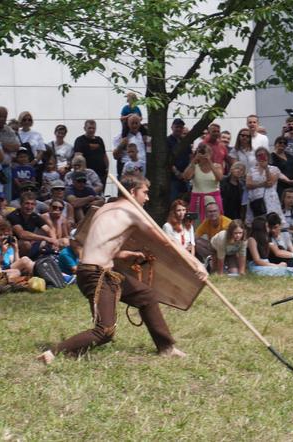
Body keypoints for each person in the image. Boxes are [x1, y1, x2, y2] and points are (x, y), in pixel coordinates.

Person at [37, 173, 186, 364]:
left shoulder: (104, 209)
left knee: (147, 296)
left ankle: (166, 347)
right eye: (145, 193)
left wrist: (123, 254)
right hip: (95, 274)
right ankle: (53, 353)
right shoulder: (132, 212)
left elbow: (100, 243)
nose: (147, 198)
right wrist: (196, 264)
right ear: (133, 192)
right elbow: (165, 241)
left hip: (102, 272)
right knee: (105, 330)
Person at [182, 143, 223, 221]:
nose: (203, 154)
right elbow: (186, 177)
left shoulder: (217, 166)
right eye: (201, 152)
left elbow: (219, 178)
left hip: (213, 199)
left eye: (205, 152)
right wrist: (194, 161)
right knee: (194, 222)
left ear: (211, 153)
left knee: (215, 221)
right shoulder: (194, 167)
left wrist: (209, 161)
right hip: (197, 199)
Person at [246, 147, 285, 224]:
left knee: (272, 221)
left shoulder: (274, 169)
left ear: (267, 156)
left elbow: (270, 183)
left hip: (270, 199)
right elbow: (248, 185)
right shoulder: (252, 170)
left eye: (263, 155)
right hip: (256, 199)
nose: (261, 157)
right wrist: (262, 184)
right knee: (256, 221)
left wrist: (266, 168)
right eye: (259, 155)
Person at [73, 120, 108, 192]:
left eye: (93, 128)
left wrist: (107, 168)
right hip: (87, 174)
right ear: (84, 128)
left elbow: (104, 155)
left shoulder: (99, 140)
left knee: (100, 193)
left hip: (101, 174)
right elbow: (78, 158)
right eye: (89, 128)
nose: (92, 130)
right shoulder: (80, 140)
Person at [195, 200, 231, 264]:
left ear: (219, 212)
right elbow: (195, 236)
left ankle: (217, 260)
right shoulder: (206, 222)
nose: (212, 213)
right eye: (210, 212)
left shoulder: (227, 222)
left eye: (215, 211)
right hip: (214, 247)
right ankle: (212, 259)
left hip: (227, 248)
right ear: (206, 214)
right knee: (196, 242)